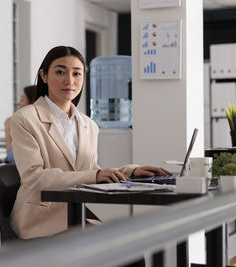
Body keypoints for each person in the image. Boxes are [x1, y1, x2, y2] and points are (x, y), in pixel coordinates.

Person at [9, 46, 170, 239]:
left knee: (133, 248)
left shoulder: (89, 124)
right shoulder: (25, 119)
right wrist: (95, 175)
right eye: (60, 72)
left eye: (77, 73)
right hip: (40, 220)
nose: (70, 81)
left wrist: (130, 172)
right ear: (43, 75)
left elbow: (89, 170)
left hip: (76, 216)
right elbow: (34, 177)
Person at [5, 85, 37, 164]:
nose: (18, 103)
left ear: (32, 103)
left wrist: (8, 129)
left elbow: (13, 158)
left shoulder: (14, 122)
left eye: (22, 100)